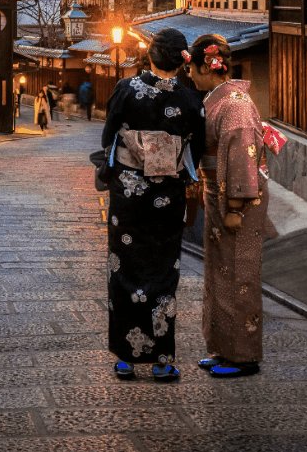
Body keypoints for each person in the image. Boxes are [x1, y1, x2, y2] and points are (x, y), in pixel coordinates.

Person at [94, 27, 202, 382]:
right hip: (166, 197)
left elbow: (109, 136)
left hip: (127, 196)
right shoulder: (190, 101)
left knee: (123, 269)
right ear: (182, 61)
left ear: (150, 56)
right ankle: (161, 360)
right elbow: (194, 152)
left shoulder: (126, 89)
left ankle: (125, 358)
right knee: (161, 272)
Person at [185, 33, 267, 378]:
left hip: (237, 200)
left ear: (209, 65)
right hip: (218, 192)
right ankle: (223, 347)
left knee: (240, 273)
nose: (189, 74)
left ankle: (244, 355)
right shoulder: (219, 99)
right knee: (220, 270)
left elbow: (241, 156)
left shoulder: (234, 104)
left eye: (192, 68)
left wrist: (235, 207)